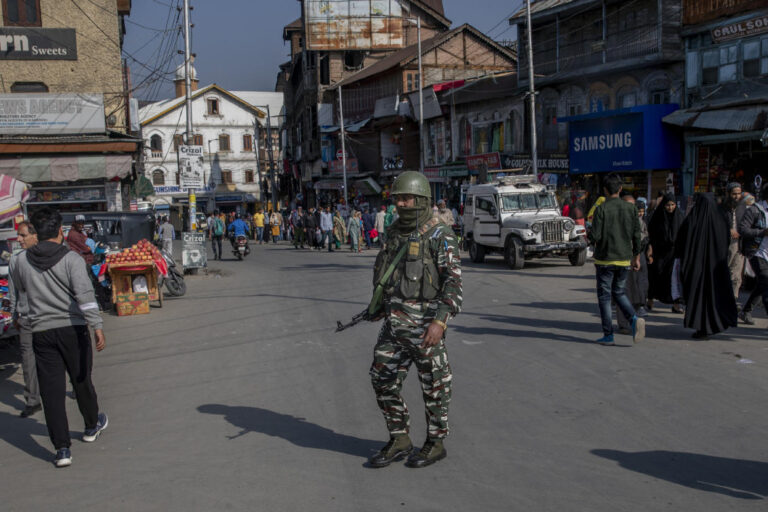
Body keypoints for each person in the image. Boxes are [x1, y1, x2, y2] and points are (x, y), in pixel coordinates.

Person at [366, 171, 462, 469]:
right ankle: (400, 438)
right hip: (394, 327)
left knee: (434, 385)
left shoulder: (440, 234)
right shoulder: (394, 231)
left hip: (425, 328)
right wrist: (380, 304)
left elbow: (453, 284)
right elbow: (388, 272)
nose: (401, 204)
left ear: (422, 200)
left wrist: (440, 322)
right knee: (382, 378)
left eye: (407, 198)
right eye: (397, 199)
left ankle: (435, 442)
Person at [9, 208, 108, 467]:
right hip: (72, 330)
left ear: (37, 233)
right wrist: (97, 326)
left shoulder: (20, 261)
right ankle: (91, 425)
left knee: (51, 393)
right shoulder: (71, 259)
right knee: (81, 381)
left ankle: (62, 449)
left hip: (41, 333)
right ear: (59, 231)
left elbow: (20, 294)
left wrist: (19, 316)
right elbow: (85, 297)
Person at [587, 173, 645, 346]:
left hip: (605, 259)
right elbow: (637, 236)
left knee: (605, 297)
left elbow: (595, 236)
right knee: (619, 292)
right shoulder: (631, 209)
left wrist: (591, 235)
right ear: (620, 189)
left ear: (605, 190)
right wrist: (636, 257)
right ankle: (633, 319)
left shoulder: (602, 209)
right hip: (624, 259)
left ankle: (608, 335)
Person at [675, 193, 738, 338]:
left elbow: (681, 242)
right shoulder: (721, 220)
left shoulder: (693, 220)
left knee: (698, 295)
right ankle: (713, 325)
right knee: (715, 296)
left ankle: (701, 327)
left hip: (696, 268)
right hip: (716, 269)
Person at [8, 221, 41, 418]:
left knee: (55, 358)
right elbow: (14, 291)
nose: (18, 239)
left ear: (35, 235)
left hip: (48, 317)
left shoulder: (48, 256)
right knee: (28, 361)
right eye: (18, 235)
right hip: (26, 317)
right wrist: (14, 314)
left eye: (22, 235)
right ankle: (33, 400)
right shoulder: (16, 260)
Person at [616, 198, 650, 332]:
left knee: (636, 288)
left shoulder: (638, 221)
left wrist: (638, 257)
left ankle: (634, 315)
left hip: (636, 257)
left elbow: (642, 238)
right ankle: (624, 323)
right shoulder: (616, 220)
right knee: (622, 291)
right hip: (620, 259)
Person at [647, 193, 684, 313]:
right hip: (659, 253)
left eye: (673, 205)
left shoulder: (679, 217)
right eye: (668, 205)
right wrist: (650, 250)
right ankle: (650, 300)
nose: (670, 207)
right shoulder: (657, 217)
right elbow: (651, 235)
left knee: (674, 279)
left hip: (674, 254)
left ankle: (676, 304)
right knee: (655, 276)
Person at [738, 183, 768, 328]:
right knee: (766, 282)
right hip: (757, 252)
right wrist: (762, 232)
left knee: (763, 284)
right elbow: (743, 229)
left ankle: (746, 311)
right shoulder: (755, 210)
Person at [720, 183, 746, 302]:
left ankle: (733, 299)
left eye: (739, 194)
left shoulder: (742, 206)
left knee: (736, 274)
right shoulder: (722, 207)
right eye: (734, 194)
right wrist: (728, 229)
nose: (736, 196)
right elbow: (716, 224)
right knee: (726, 271)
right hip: (725, 243)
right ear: (728, 194)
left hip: (739, 243)